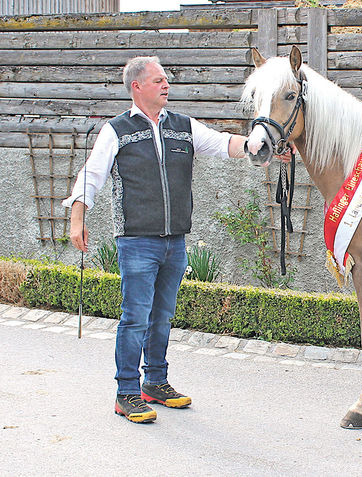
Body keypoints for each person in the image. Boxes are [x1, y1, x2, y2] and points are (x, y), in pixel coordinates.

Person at [64, 56, 248, 423]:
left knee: (162, 317)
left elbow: (223, 143)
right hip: (136, 241)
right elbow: (92, 175)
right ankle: (127, 392)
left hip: (174, 241)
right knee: (135, 318)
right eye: (158, 80)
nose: (166, 84)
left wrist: (261, 146)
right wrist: (77, 218)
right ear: (137, 86)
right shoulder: (116, 129)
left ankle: (156, 382)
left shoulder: (183, 126)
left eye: (166, 79)